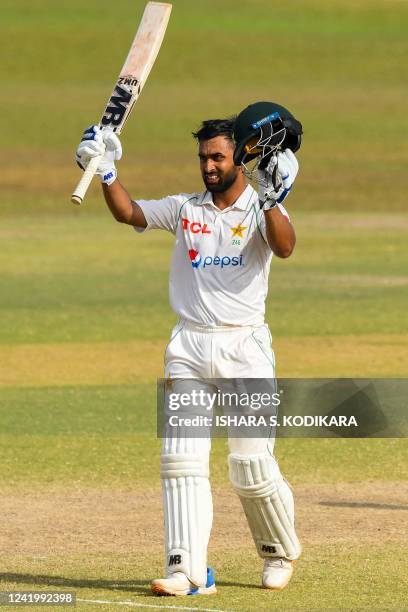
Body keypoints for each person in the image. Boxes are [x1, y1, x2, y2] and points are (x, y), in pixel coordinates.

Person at [75, 101, 303, 596]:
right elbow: (129, 213)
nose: (208, 166)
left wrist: (272, 200)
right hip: (189, 347)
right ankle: (187, 570)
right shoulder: (186, 208)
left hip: (245, 346)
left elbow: (284, 246)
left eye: (217, 158)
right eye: (203, 158)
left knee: (250, 466)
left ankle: (278, 551)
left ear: (238, 159)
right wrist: (106, 171)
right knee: (180, 462)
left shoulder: (262, 203)